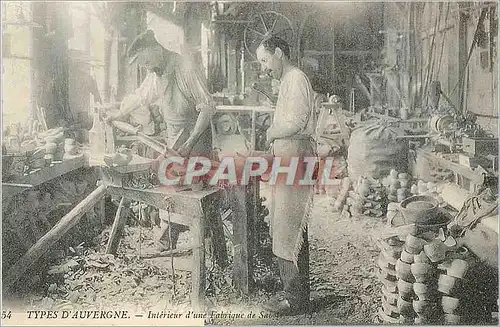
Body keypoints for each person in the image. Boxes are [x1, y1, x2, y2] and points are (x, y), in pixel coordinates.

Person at [107, 29, 216, 251]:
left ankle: (205, 246)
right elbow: (139, 97)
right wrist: (118, 115)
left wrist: (190, 143)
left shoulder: (185, 67)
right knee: (167, 181)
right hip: (175, 138)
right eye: (142, 64)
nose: (146, 66)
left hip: (196, 140)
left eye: (146, 60)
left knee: (196, 194)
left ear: (156, 49)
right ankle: (167, 240)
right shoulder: (156, 73)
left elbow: (207, 107)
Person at [256, 36, 316, 314]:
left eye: (266, 60)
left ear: (279, 52)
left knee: (287, 226)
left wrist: (270, 132)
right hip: (290, 156)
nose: (264, 67)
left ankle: (295, 299)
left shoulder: (296, 78)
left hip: (296, 156)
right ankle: (295, 292)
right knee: (288, 226)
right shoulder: (288, 80)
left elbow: (296, 122)